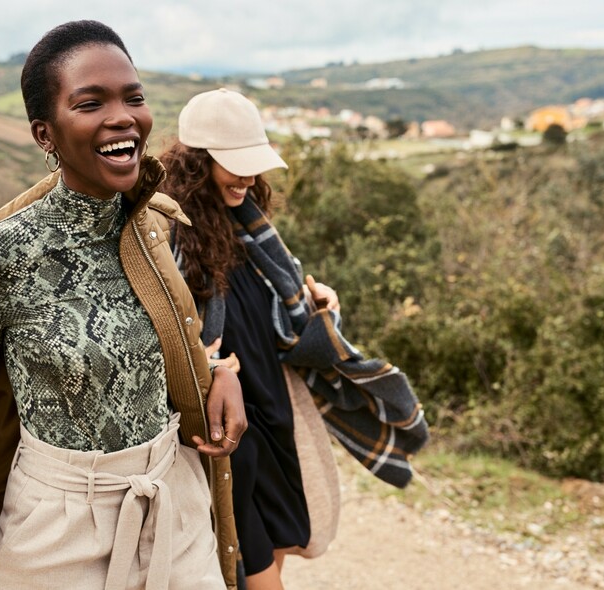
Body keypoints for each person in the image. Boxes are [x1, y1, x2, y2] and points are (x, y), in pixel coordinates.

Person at [0, 22, 246, 590]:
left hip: (173, 502)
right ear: (45, 134)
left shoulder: (152, 224)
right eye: (91, 103)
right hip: (57, 528)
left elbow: (150, 343)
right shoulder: (0, 256)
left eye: (133, 98)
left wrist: (216, 372)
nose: (122, 117)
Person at [161, 88, 430, 590]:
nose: (247, 177)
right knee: (248, 564)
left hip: (275, 404)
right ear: (198, 163)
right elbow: (160, 331)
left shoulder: (251, 232)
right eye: (233, 164)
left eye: (252, 165)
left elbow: (282, 324)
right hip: (229, 419)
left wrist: (322, 310)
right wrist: (205, 364)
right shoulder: (168, 234)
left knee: (276, 545)